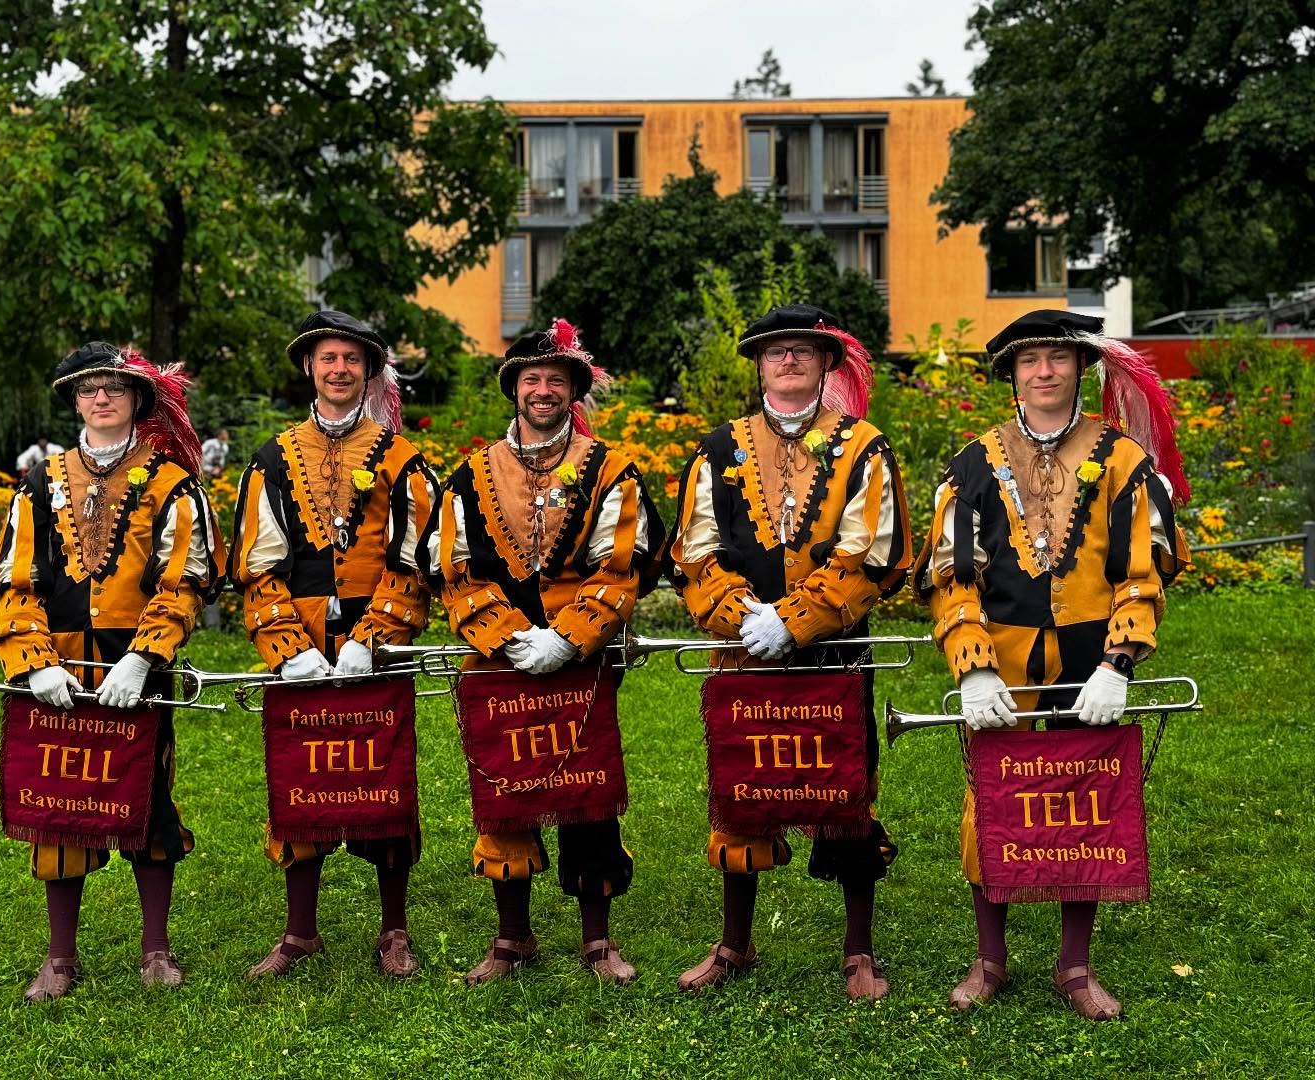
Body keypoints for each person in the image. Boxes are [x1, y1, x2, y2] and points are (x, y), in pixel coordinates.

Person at [917, 309, 1191, 1021]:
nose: (1044, 371)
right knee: (994, 800)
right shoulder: (972, 463)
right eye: (1029, 360)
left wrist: (1120, 660)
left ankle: (1074, 965)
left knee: (1086, 801)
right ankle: (990, 960)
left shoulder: (1125, 458)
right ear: (1010, 373)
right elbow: (953, 577)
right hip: (1001, 657)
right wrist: (971, 664)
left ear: (1080, 369)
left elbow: (1144, 571)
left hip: (1089, 655)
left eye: (1058, 359)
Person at [667, 303, 912, 997]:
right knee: (742, 790)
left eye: (804, 350)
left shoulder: (865, 445)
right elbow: (693, 551)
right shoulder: (718, 447)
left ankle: (858, 951)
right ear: (759, 364)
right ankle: (734, 944)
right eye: (776, 351)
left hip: (834, 653)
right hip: (744, 652)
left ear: (827, 363)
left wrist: (798, 619)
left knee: (845, 790)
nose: (789, 360)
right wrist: (740, 614)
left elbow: (877, 553)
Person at [418, 318, 664, 985]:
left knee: (587, 798)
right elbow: (452, 567)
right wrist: (507, 635)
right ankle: (512, 938)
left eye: (557, 379)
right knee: (507, 794)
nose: (544, 390)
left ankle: (596, 941)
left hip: (580, 661)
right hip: (498, 661)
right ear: (515, 390)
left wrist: (569, 636)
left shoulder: (611, 470)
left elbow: (623, 566)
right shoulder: (469, 475)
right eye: (532, 379)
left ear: (573, 390)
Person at [0, 341, 222, 1001]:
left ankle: (156, 949)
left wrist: (144, 658)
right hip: (57, 668)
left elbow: (186, 581)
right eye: (89, 388)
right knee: (58, 806)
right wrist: (34, 661)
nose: (102, 397)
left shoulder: (172, 482)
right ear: (75, 400)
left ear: (138, 399)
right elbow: (14, 581)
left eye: (114, 388)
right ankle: (60, 959)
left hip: (135, 666)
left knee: (148, 801)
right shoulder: (38, 482)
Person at [228, 310, 437, 980]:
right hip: (305, 644)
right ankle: (299, 933)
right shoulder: (271, 457)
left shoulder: (404, 459)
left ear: (369, 371)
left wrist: (374, 638)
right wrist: (290, 646)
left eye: (353, 359)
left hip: (380, 645)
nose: (340, 369)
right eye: (328, 359)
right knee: (304, 779)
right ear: (310, 370)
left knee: (386, 780)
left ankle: (394, 930)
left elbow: (418, 560)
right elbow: (258, 564)